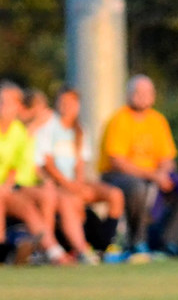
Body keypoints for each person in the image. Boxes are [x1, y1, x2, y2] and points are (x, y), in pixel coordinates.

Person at [99, 74, 178, 258]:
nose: (142, 96)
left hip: (154, 175)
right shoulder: (119, 120)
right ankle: (138, 241)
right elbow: (118, 162)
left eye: (147, 92)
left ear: (153, 96)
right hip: (119, 176)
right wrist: (153, 176)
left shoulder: (157, 120)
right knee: (138, 188)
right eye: (137, 92)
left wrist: (162, 174)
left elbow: (167, 158)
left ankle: (171, 241)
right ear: (128, 95)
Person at [36, 87, 126, 260]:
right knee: (71, 202)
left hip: (74, 184)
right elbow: (47, 164)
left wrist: (77, 184)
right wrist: (68, 185)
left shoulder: (80, 130)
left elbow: (80, 165)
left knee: (115, 195)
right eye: (63, 103)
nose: (67, 107)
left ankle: (106, 245)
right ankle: (82, 250)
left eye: (71, 103)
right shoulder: (49, 126)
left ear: (77, 106)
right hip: (56, 185)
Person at [0, 81, 71, 265]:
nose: (2, 106)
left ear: (17, 106)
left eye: (5, 102)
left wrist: (8, 185)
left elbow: (14, 167)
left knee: (33, 204)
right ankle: (3, 249)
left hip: (8, 189)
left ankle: (49, 251)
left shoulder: (17, 131)